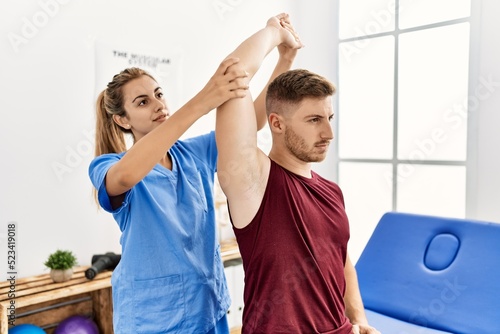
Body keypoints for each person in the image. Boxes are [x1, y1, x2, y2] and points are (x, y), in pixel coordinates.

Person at [88, 24, 300, 333]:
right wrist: (203, 102)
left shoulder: (194, 153)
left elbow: (247, 124)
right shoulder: (109, 165)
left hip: (207, 305)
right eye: (143, 102)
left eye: (158, 94)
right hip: (154, 318)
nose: (159, 104)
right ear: (122, 119)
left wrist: (285, 60)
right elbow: (127, 176)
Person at [216, 14, 380, 334]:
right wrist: (273, 34)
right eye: (314, 120)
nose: (329, 133)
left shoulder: (333, 191)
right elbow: (232, 77)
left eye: (329, 117)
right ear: (276, 124)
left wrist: (359, 321)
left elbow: (341, 260)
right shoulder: (254, 181)